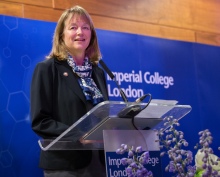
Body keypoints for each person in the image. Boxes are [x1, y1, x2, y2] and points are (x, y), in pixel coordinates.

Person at [30, 5, 108, 177]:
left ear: (92, 35)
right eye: (73, 27)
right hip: (65, 165)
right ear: (61, 35)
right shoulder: (47, 69)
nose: (80, 32)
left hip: (99, 163)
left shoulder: (98, 72)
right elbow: (40, 121)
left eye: (85, 27)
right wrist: (79, 135)